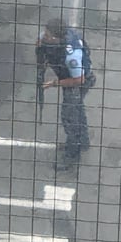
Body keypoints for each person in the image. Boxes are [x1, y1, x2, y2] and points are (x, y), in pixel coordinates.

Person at [38, 18, 95, 171]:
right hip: (69, 76)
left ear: (57, 38)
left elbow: (79, 79)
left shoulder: (71, 56)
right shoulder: (53, 37)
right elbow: (40, 44)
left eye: (48, 35)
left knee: (70, 117)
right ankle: (83, 141)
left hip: (79, 82)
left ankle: (72, 154)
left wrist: (54, 83)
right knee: (78, 110)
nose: (44, 36)